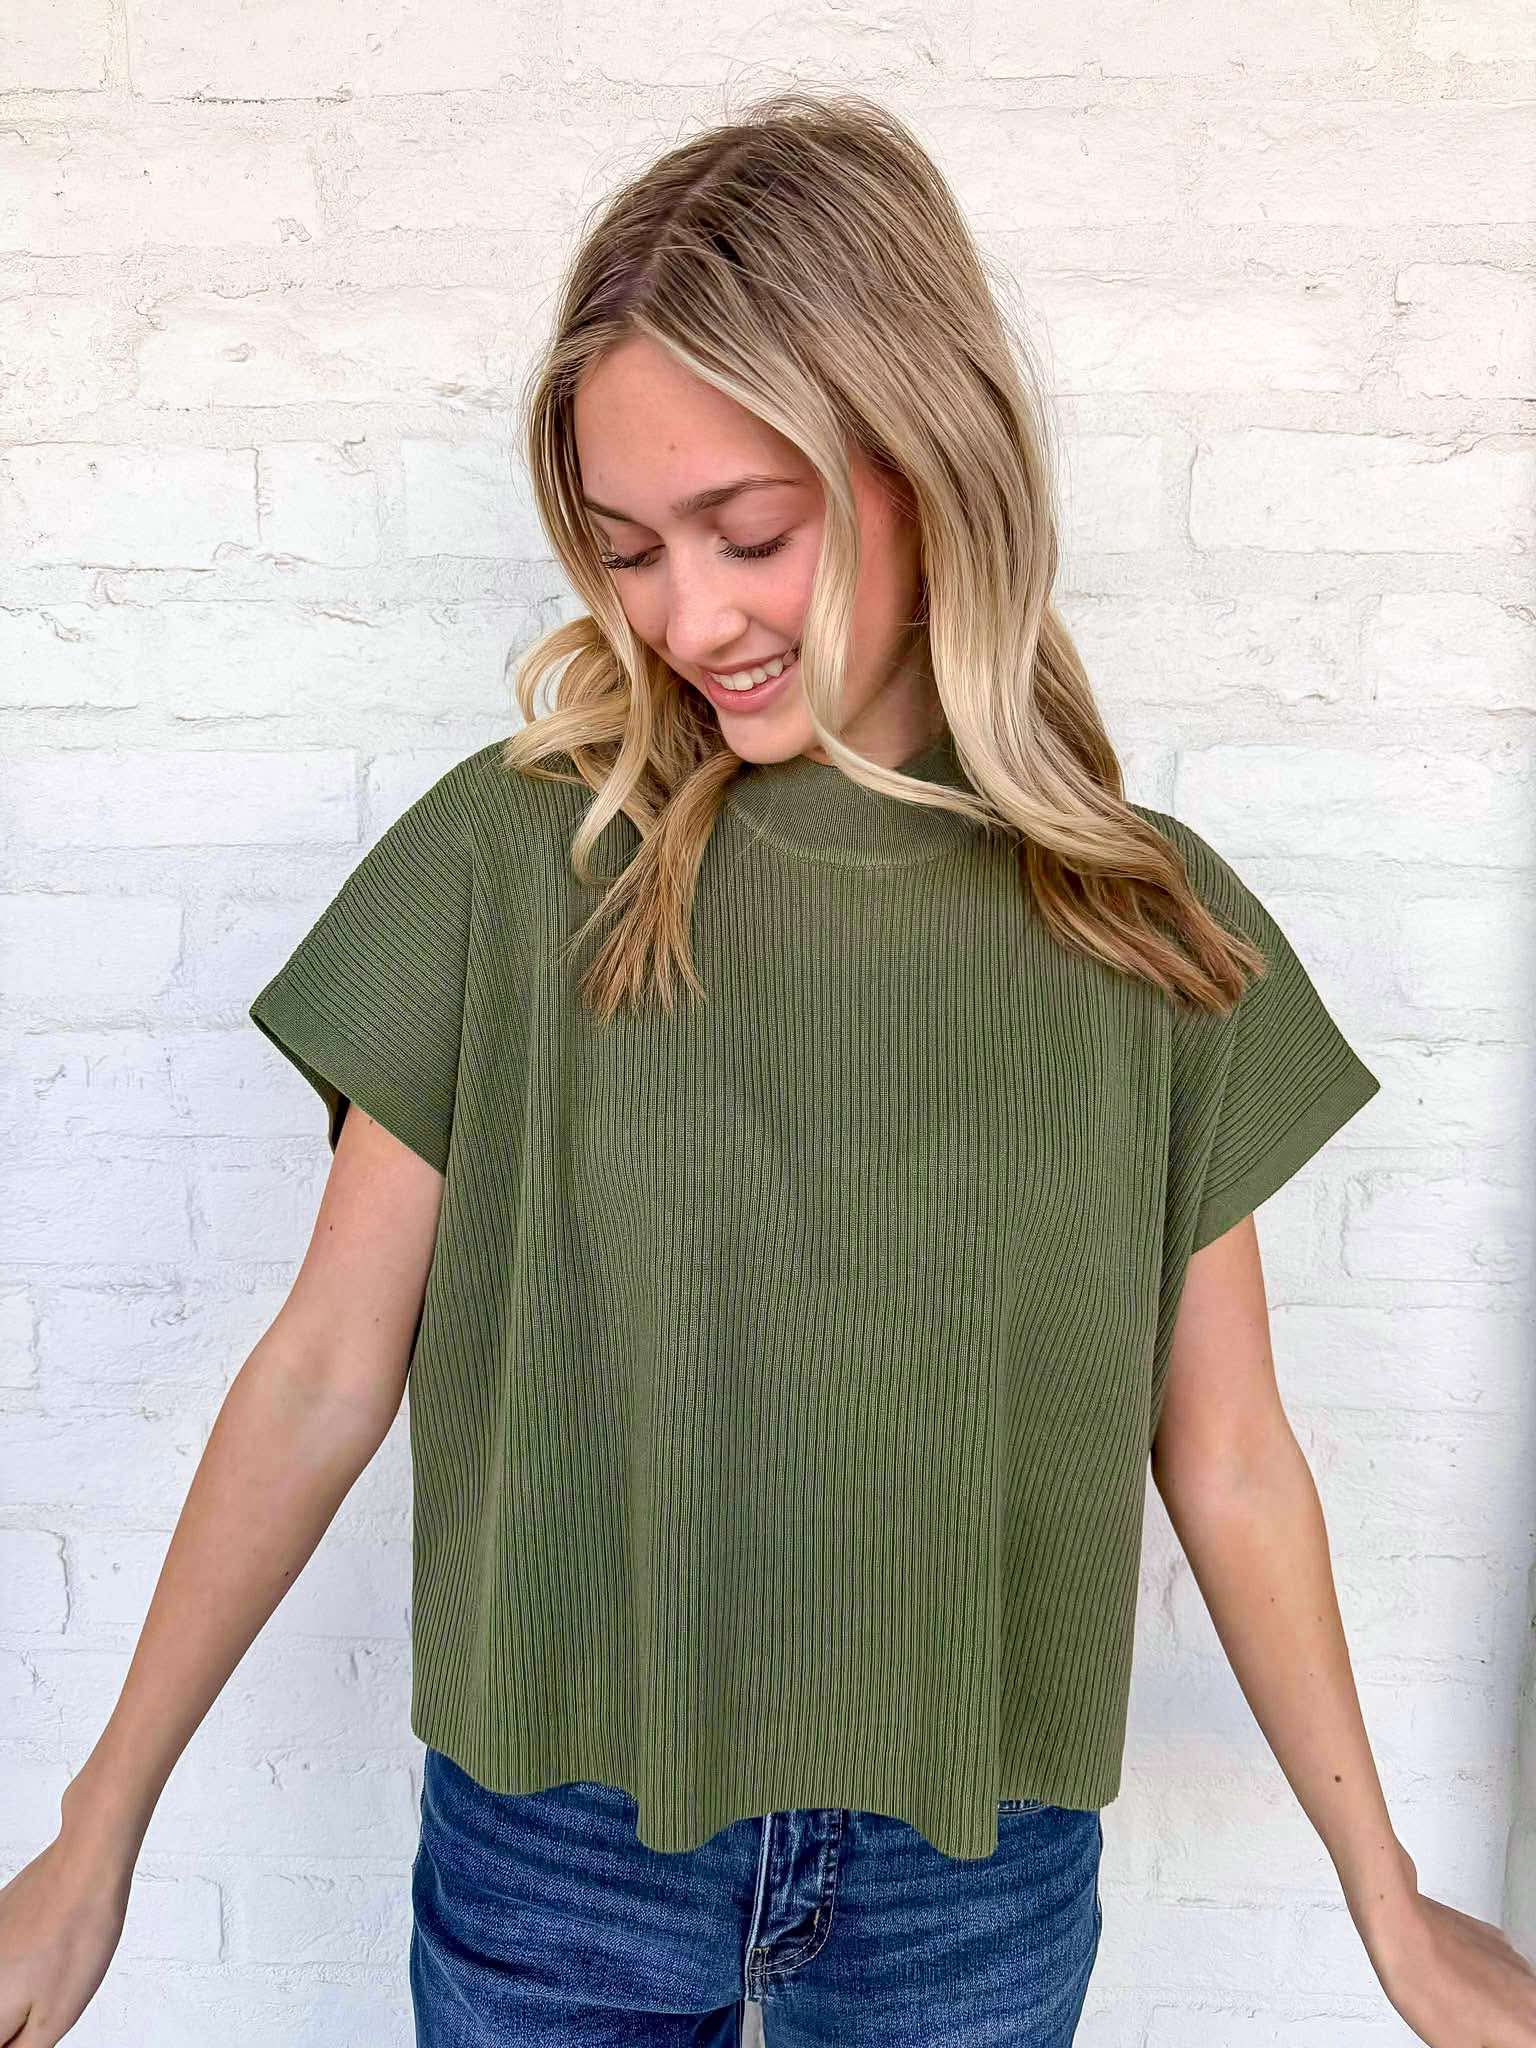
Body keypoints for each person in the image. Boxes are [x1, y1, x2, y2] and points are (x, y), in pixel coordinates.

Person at [3, 83, 1534, 2048]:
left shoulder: (1141, 932)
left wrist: (1385, 1897)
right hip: (558, 1849)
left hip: (970, 1882)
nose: (689, 617)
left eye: (749, 533)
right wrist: (99, 1833)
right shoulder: (516, 863)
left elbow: (1228, 1451)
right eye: (630, 550)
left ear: (929, 466)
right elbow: (321, 1369)